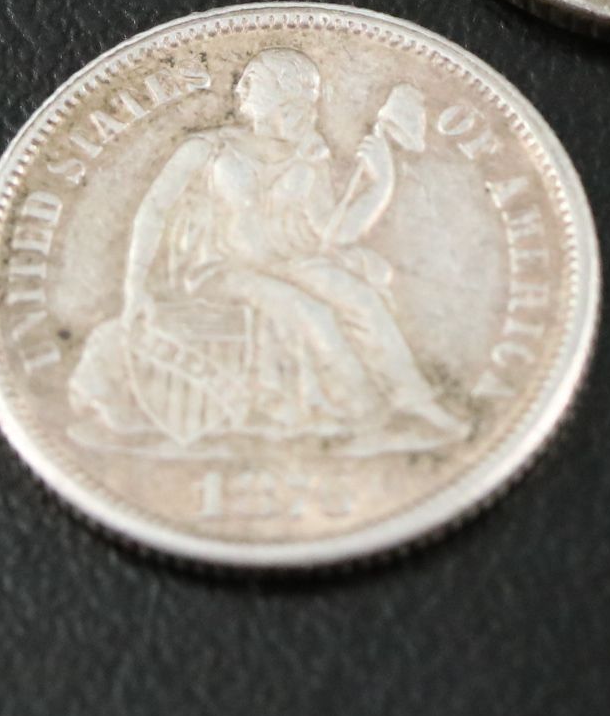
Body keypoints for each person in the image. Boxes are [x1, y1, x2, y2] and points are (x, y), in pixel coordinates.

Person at [69, 50, 465, 450]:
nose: (307, 118)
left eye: (309, 107)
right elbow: (152, 212)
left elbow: (332, 233)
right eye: (293, 108)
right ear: (262, 106)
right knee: (309, 310)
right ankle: (366, 417)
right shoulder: (206, 149)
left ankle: (418, 403)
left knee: (358, 296)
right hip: (218, 272)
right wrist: (135, 287)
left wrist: (381, 183)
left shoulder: (309, 152)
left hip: (288, 261)